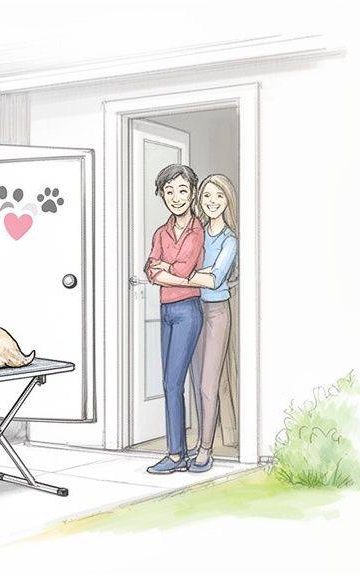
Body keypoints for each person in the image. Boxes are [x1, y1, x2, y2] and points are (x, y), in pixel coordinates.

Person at [144, 164, 205, 474]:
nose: (176, 197)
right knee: (169, 384)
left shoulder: (197, 230)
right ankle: (178, 452)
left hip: (188, 311)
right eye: (169, 191)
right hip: (166, 310)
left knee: (174, 382)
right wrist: (172, 273)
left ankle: (177, 453)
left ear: (192, 193)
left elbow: (178, 270)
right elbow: (150, 269)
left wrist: (169, 274)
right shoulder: (161, 231)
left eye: (182, 190)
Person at [184, 174, 238, 473]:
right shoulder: (198, 232)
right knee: (195, 381)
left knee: (208, 385)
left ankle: (206, 449)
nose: (212, 201)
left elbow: (215, 277)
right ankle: (200, 441)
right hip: (193, 309)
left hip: (217, 312)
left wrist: (179, 274)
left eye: (218, 196)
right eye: (206, 196)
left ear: (227, 200)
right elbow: (191, 266)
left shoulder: (230, 239)